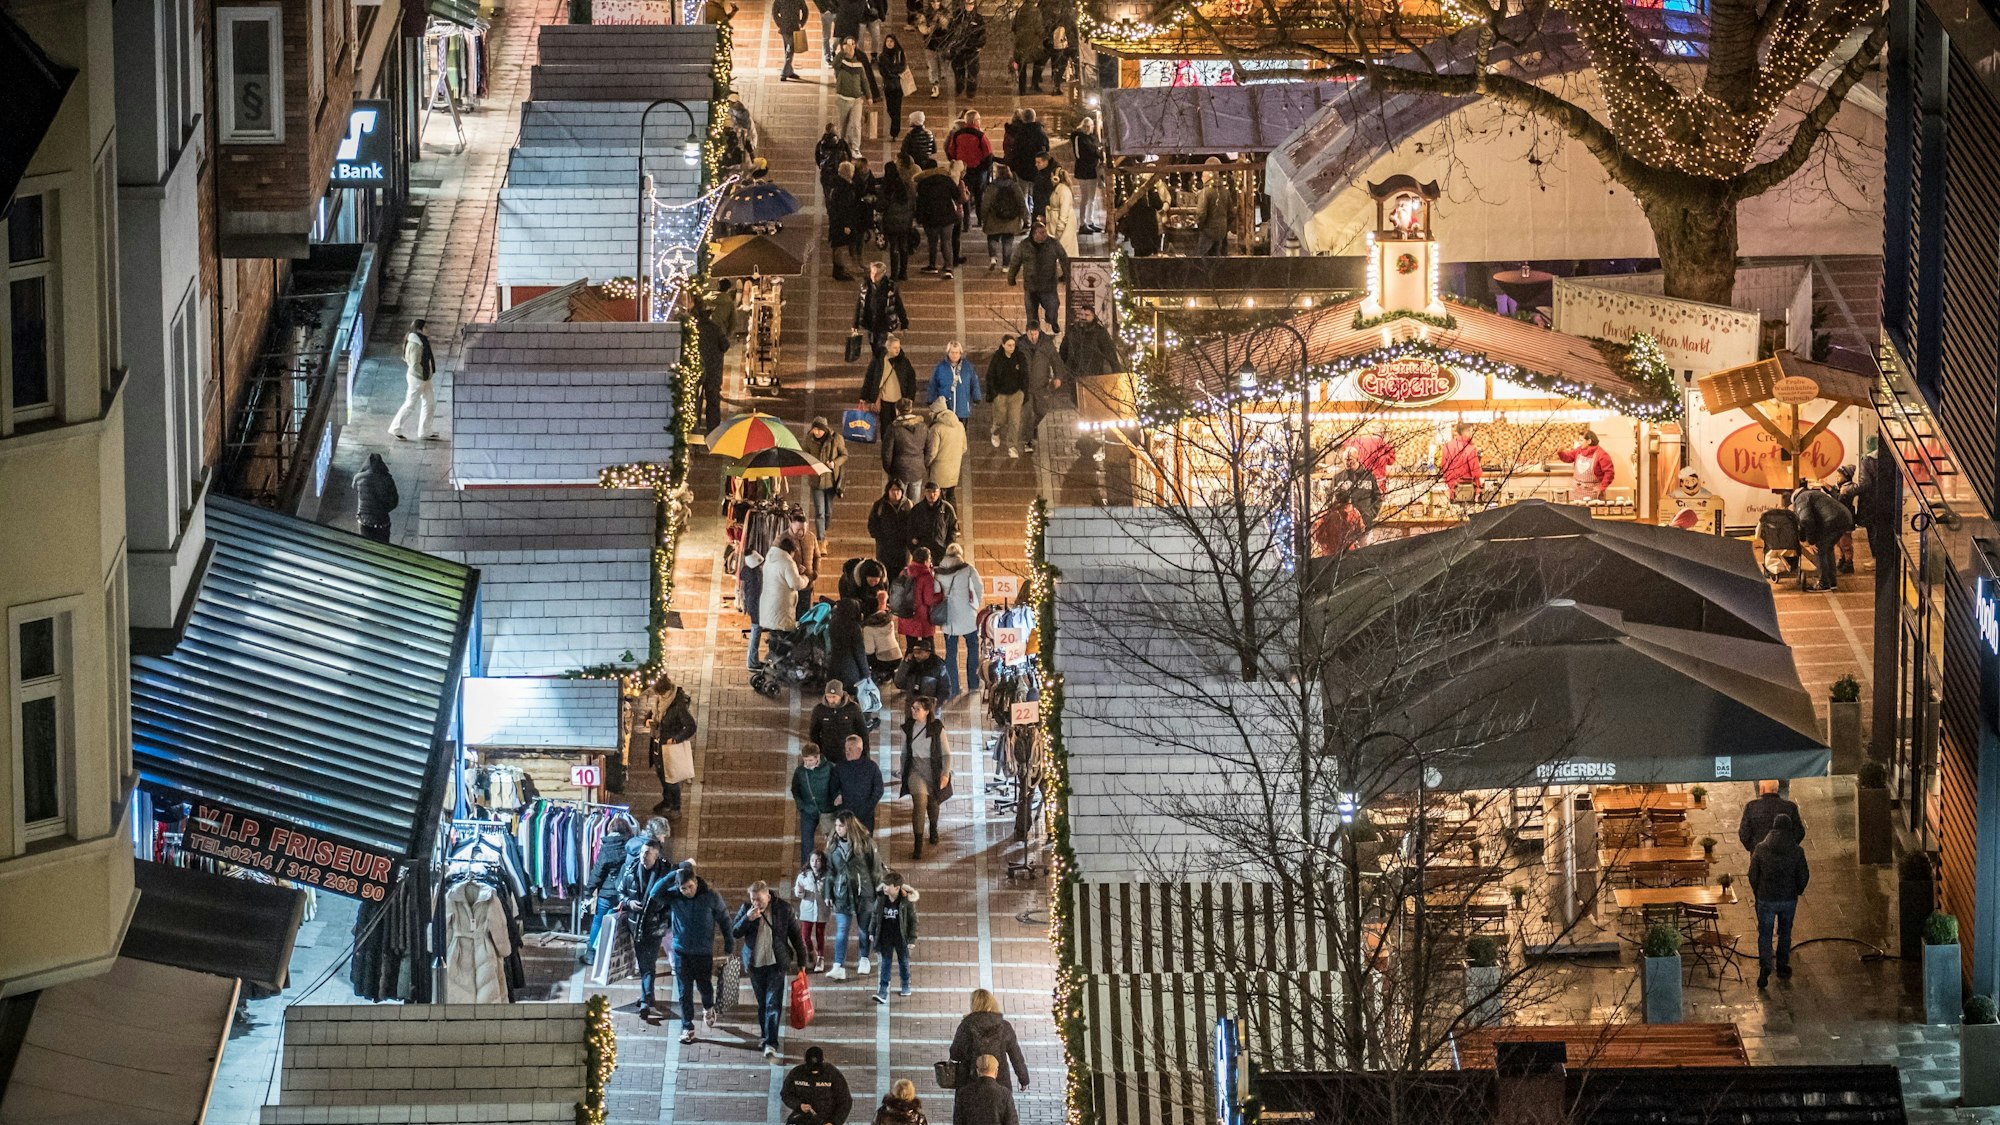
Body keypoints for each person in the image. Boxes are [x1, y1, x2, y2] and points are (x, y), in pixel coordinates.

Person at [733, 880, 809, 1058]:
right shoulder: (746, 909)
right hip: (755, 964)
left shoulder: (783, 909)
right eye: (753, 899)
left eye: (759, 900)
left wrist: (802, 962)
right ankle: (765, 1035)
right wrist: (747, 919)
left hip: (776, 963)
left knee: (772, 1003)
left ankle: (771, 1042)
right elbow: (735, 932)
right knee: (762, 1003)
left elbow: (796, 936)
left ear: (768, 896)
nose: (756, 903)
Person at [1747, 812, 1809, 989]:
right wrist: (1797, 890)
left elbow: (1752, 874)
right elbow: (1803, 875)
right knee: (1785, 932)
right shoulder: (1797, 851)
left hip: (1766, 898)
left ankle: (1765, 965)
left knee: (1765, 933)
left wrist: (1758, 891)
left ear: (1773, 828)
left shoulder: (1761, 848)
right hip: (1788, 899)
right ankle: (1782, 965)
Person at [826, 810, 888, 978]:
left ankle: (864, 959)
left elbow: (876, 869)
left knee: (864, 929)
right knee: (842, 930)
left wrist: (878, 891)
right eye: (836, 825)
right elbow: (830, 871)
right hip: (842, 892)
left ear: (849, 826)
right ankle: (838, 965)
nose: (837, 829)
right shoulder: (833, 845)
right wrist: (828, 893)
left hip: (864, 892)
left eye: (841, 826)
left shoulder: (866, 843)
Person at [621, 840, 678, 1014]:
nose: (643, 856)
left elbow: (673, 900)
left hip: (655, 926)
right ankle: (648, 996)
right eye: (642, 852)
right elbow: (621, 891)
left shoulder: (666, 874)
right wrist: (629, 902)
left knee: (648, 963)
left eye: (647, 853)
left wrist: (663, 913)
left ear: (656, 856)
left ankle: (645, 1000)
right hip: (636, 925)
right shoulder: (631, 870)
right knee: (644, 963)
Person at [580, 812, 639, 964]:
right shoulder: (631, 846)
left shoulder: (607, 848)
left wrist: (589, 890)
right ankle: (616, 957)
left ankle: (591, 954)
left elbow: (598, 872)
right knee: (621, 924)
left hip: (607, 893)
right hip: (624, 894)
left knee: (598, 922)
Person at [950, 990, 1032, 1092]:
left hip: (970, 1083)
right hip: (1000, 1082)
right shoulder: (1004, 1026)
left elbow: (955, 1054)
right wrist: (1024, 1079)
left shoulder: (966, 1025)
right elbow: (1016, 1056)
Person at [899, 697, 950, 858]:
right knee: (920, 803)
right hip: (915, 771)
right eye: (913, 708)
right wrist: (903, 772)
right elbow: (904, 753)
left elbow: (946, 754)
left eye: (917, 709)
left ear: (927, 711)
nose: (913, 711)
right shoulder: (908, 728)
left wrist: (945, 774)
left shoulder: (937, 728)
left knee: (933, 804)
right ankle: (918, 845)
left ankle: (933, 828)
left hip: (933, 771)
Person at [933, 543, 982, 696]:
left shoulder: (939, 573)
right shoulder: (968, 569)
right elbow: (979, 587)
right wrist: (975, 605)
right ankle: (973, 684)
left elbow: (936, 591)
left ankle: (953, 687)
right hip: (968, 617)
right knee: (972, 649)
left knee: (951, 653)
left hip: (950, 619)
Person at [752, 537, 808, 665]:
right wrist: (805, 578)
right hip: (781, 608)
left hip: (769, 606)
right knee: (783, 641)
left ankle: (772, 664)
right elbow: (795, 584)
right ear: (791, 551)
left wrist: (795, 572)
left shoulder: (771, 558)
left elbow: (781, 576)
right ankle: (779, 667)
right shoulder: (787, 562)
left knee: (774, 637)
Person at [648, 676, 698, 813]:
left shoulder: (678, 705)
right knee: (662, 775)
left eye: (662, 693)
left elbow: (691, 726)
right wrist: (648, 721)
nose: (660, 696)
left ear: (668, 691)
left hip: (669, 747)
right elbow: (652, 714)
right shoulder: (659, 701)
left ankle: (675, 806)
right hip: (657, 744)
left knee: (671, 778)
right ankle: (667, 801)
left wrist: (675, 739)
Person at [1793, 482, 1855, 592]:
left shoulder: (1801, 499)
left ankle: (1823, 584)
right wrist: (1803, 538)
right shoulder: (1812, 495)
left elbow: (1806, 520)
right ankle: (1831, 582)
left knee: (1819, 549)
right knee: (1828, 548)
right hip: (1845, 517)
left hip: (1833, 520)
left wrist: (1811, 541)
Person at [1008, 221, 1069, 333]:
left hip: (1049, 285)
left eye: (1044, 232)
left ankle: (1052, 321)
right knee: (1031, 315)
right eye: (1041, 233)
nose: (1044, 235)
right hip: (1031, 287)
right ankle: (1034, 334)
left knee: (1053, 307)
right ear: (1034, 234)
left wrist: (1066, 275)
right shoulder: (1024, 245)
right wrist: (1011, 277)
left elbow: (1063, 259)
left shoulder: (1053, 243)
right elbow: (1015, 262)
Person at [1017, 323, 1067, 455]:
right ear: (1027, 332)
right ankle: (1028, 441)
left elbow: (1056, 361)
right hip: (1025, 386)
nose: (1033, 337)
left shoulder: (1046, 344)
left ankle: (1032, 428)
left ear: (1039, 332)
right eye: (1030, 334)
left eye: (1035, 334)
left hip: (1041, 386)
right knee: (1027, 414)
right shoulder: (1020, 345)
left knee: (1041, 411)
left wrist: (1058, 377)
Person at [871, 872, 920, 1004]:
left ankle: (905, 984)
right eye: (884, 885)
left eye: (888, 886)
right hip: (886, 937)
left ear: (897, 888)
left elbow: (913, 920)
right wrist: (872, 931)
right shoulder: (881, 899)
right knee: (885, 963)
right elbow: (875, 916)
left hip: (901, 938)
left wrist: (912, 939)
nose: (885, 888)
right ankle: (882, 991)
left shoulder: (906, 901)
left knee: (903, 962)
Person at [389, 319, 438, 440]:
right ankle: (395, 428)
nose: (429, 329)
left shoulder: (421, 340)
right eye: (426, 327)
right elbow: (415, 364)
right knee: (410, 404)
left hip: (424, 377)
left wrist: (427, 375)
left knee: (430, 403)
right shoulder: (416, 343)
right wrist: (424, 376)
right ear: (420, 329)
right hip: (418, 378)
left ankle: (425, 431)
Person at [913, 159, 962, 278]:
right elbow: (957, 195)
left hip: (930, 217)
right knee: (947, 242)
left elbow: (920, 203)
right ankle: (948, 267)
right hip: (947, 216)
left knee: (932, 242)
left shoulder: (923, 183)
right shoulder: (946, 180)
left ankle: (932, 265)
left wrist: (918, 218)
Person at [782, 1046, 855, 1124]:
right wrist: (799, 1105)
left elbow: (845, 1100)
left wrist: (834, 1122)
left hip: (826, 1120)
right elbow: (786, 1094)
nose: (814, 1072)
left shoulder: (832, 1074)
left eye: (817, 1069)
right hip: (803, 1118)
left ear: (822, 1061)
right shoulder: (796, 1073)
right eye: (811, 1069)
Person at [831, 733, 887, 833]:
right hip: (845, 815)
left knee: (864, 841)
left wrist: (868, 806)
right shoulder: (840, 767)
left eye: (850, 749)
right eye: (846, 749)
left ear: (859, 750)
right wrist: (838, 795)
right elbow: (833, 786)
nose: (847, 752)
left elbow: (878, 789)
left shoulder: (871, 767)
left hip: (865, 817)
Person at [804, 417, 849, 539]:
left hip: (831, 481)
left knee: (828, 511)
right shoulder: (809, 439)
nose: (816, 432)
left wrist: (835, 463)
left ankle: (824, 530)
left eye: (819, 430)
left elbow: (844, 455)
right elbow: (805, 454)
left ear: (825, 429)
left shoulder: (836, 439)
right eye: (814, 429)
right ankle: (821, 539)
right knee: (820, 512)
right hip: (816, 481)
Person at [854, 262, 909, 361]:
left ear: (883, 273)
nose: (873, 276)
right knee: (874, 346)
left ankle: (880, 365)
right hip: (870, 322)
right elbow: (859, 304)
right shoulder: (865, 286)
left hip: (885, 323)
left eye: (877, 274)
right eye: (872, 273)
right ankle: (878, 364)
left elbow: (899, 306)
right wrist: (855, 324)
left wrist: (904, 324)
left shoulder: (890, 287)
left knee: (882, 348)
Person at [792, 746, 836, 867]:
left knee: (832, 842)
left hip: (827, 811)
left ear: (818, 757)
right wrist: (801, 806)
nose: (807, 763)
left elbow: (837, 785)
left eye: (810, 760)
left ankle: (831, 869)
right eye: (805, 760)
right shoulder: (800, 772)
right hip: (808, 812)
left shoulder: (830, 768)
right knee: (806, 844)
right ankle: (806, 870)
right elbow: (795, 790)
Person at [985, 334, 1028, 456]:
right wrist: (994, 394)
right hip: (1001, 394)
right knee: (1000, 419)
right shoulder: (997, 358)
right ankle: (995, 432)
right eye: (1009, 345)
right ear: (1003, 345)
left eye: (1013, 345)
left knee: (1014, 421)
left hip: (1016, 394)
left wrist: (1023, 392)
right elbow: (990, 376)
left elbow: (1025, 375)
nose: (1011, 348)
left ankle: (1012, 446)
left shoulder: (1020, 357)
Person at [893, 545, 944, 647]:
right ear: (926, 560)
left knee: (911, 648)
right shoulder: (926, 576)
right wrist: (941, 595)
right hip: (921, 617)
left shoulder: (905, 571)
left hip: (906, 614)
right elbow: (929, 600)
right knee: (928, 647)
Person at [980, 165, 1029, 268]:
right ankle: (1006, 265)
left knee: (992, 238)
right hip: (1011, 220)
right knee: (1008, 242)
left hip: (994, 218)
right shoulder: (1015, 186)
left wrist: (984, 218)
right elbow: (1021, 203)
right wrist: (1025, 219)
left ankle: (993, 257)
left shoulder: (992, 187)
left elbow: (985, 204)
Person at [1738, 779, 1807, 852]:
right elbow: (1799, 832)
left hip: (1759, 854)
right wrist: (1789, 846)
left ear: (1762, 789)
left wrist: (1754, 848)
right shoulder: (1790, 806)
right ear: (1776, 789)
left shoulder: (1751, 806)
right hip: (1785, 854)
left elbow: (1744, 833)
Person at [810, 681, 871, 762]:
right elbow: (814, 733)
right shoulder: (819, 710)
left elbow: (863, 731)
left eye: (834, 697)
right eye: (828, 696)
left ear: (840, 695)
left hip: (848, 753)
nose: (831, 700)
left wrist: (865, 754)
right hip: (827, 753)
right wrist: (817, 752)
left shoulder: (853, 708)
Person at [861, 333, 916, 422]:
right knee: (885, 425)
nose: (898, 350)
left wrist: (910, 397)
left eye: (899, 347)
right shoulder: (878, 360)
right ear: (888, 348)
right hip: (884, 400)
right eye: (895, 348)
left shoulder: (903, 361)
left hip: (899, 401)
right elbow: (869, 378)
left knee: (898, 424)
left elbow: (911, 379)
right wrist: (863, 396)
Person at [828, 161, 868, 281]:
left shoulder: (839, 185)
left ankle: (839, 269)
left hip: (837, 222)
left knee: (838, 246)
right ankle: (838, 271)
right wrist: (846, 225)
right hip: (841, 222)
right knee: (839, 246)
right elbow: (843, 208)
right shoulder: (843, 188)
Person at [946, 111, 994, 212]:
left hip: (963, 171)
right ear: (974, 121)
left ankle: (966, 219)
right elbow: (988, 154)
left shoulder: (957, 135)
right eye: (979, 119)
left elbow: (951, 153)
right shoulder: (980, 135)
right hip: (978, 171)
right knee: (979, 197)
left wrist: (958, 165)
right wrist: (984, 168)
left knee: (965, 195)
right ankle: (980, 218)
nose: (980, 121)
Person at [953, 1055, 1020, 1125]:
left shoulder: (963, 1093)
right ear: (996, 1071)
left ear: (977, 1071)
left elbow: (958, 1122)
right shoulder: (1005, 1094)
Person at [882, 399, 931, 494]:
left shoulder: (893, 428)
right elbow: (929, 450)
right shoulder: (923, 427)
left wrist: (890, 470)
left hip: (899, 470)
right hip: (917, 470)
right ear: (911, 409)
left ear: (897, 411)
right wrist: (922, 465)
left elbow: (887, 454)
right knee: (915, 502)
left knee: (899, 500)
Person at [1328, 446, 1383, 528]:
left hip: (1365, 523)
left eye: (1350, 459)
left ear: (1357, 458)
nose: (1347, 462)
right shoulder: (1338, 478)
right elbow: (1329, 498)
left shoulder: (1368, 476)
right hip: (1343, 525)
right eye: (1345, 459)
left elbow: (1378, 497)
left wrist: (1371, 514)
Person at [1059, 305, 1120, 378]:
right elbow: (1063, 351)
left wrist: (1117, 373)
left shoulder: (1100, 332)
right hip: (1072, 375)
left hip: (1093, 375)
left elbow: (1110, 353)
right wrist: (1060, 372)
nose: (1083, 317)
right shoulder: (1072, 331)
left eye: (1087, 315)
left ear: (1093, 316)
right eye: (1081, 314)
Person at [870, 480, 916, 576]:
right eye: (893, 490)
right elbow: (872, 525)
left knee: (902, 576)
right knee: (885, 575)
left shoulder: (909, 505)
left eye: (898, 490)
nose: (895, 493)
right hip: (885, 550)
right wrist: (881, 538)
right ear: (888, 491)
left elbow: (915, 524)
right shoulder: (880, 505)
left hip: (903, 550)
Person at [927, 341, 981, 421]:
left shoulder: (967, 367)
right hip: (945, 409)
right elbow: (933, 384)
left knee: (961, 428)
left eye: (957, 353)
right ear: (948, 352)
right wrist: (930, 400)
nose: (954, 355)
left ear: (960, 353)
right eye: (952, 352)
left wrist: (977, 397)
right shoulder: (940, 367)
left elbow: (974, 382)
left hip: (962, 408)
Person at [795, 849, 830, 972]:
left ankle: (820, 957)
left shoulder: (827, 876)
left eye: (818, 860)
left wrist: (829, 899)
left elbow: (831, 890)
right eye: (812, 860)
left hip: (822, 908)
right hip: (807, 908)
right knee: (805, 935)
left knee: (820, 934)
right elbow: (798, 892)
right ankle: (810, 952)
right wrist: (800, 892)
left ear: (822, 862)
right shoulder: (803, 875)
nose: (814, 863)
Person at [908, 480, 959, 563]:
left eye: (935, 492)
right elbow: (910, 529)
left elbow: (953, 528)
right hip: (922, 553)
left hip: (941, 551)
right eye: (929, 491)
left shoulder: (947, 508)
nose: (932, 495)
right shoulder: (917, 509)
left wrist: (948, 545)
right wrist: (914, 548)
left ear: (939, 492)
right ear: (924, 492)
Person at [1556, 429, 1615, 500]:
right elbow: (1568, 458)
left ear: (1589, 441)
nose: (1579, 442)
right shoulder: (1579, 450)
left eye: (1581, 440)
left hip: (1592, 493)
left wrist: (1602, 487)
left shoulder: (1602, 454)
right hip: (1577, 491)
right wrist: (1560, 452)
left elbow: (1609, 473)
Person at [353, 453, 400, 542]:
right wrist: (383, 509)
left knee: (365, 545)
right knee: (383, 546)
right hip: (381, 521)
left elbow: (356, 492)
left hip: (363, 521)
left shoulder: (358, 478)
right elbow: (394, 502)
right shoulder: (387, 479)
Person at [835, 39, 869, 151]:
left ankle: (855, 148)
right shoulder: (841, 62)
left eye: (852, 44)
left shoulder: (859, 63)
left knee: (856, 124)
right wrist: (843, 52)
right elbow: (834, 64)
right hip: (843, 99)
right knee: (843, 124)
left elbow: (864, 80)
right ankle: (842, 144)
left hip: (857, 100)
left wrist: (869, 96)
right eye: (847, 44)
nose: (850, 47)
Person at [1194, 157, 1232, 256]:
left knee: (1203, 258)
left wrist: (1199, 225)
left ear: (1208, 176)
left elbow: (1201, 213)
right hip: (1222, 231)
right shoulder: (1225, 191)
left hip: (1208, 231)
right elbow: (1231, 212)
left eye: (1203, 176)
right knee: (1219, 257)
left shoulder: (1205, 192)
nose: (1201, 178)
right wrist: (1225, 225)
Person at [946, 0, 986, 96]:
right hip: (959, 49)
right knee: (958, 71)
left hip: (972, 49)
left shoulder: (978, 18)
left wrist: (979, 45)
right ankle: (959, 88)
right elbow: (951, 31)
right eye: (967, 4)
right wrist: (952, 45)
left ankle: (971, 92)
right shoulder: (958, 17)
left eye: (971, 4)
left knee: (972, 71)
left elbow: (982, 33)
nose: (969, 6)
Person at [1070, 116, 1103, 233]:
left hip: (1093, 170)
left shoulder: (1093, 138)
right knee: (1085, 197)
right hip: (1083, 171)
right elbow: (1079, 155)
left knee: (1092, 198)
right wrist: (1095, 153)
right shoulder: (1078, 137)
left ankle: (1090, 221)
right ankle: (1082, 223)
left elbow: (1097, 150)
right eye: (1084, 126)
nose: (1086, 128)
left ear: (1092, 127)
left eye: (1088, 126)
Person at [894, 636, 951, 701]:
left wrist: (935, 704)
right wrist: (905, 664)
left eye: (919, 652)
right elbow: (899, 683)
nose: (916, 655)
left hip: (929, 703)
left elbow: (945, 689)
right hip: (913, 703)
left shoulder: (938, 665)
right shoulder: (911, 663)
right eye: (914, 652)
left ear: (928, 653)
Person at [1312, 491, 1366, 557]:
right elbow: (1361, 531)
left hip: (1330, 555)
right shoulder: (1354, 513)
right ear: (1349, 499)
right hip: (1348, 553)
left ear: (1335, 499)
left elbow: (1317, 535)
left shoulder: (1327, 515)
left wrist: (1326, 544)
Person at [1123, 176, 1165, 257]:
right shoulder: (1147, 208)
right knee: (1148, 257)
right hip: (1147, 238)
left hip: (1139, 239)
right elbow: (1159, 205)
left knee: (1140, 256)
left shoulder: (1133, 207)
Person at [1010, 0, 1044, 93]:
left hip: (1020, 42)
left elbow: (1013, 26)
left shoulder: (1020, 11)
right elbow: (1039, 28)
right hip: (1032, 42)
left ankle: (1022, 89)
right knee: (1039, 60)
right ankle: (1034, 84)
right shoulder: (1036, 11)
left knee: (1022, 65)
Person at [1439, 422, 1482, 495]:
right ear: (1467, 431)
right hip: (1466, 490)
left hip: (1450, 489)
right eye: (1471, 431)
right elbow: (1477, 472)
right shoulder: (1469, 449)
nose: (1472, 434)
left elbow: (1443, 467)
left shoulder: (1447, 446)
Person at [1044, 168, 1079, 256]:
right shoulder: (1058, 189)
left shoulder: (1064, 191)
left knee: (1065, 250)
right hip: (1055, 225)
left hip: (1063, 227)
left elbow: (1064, 212)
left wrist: (1059, 229)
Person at [881, 38, 912, 138]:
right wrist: (892, 73)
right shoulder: (882, 56)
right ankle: (894, 125)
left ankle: (895, 131)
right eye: (887, 41)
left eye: (891, 41)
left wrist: (893, 72)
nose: (889, 43)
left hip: (898, 86)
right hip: (888, 86)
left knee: (897, 108)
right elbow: (883, 71)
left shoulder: (899, 54)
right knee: (890, 109)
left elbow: (902, 66)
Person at [775, 0, 810, 78]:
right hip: (792, 26)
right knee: (790, 49)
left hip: (786, 27)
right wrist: (802, 22)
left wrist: (779, 23)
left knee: (788, 50)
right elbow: (805, 10)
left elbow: (775, 12)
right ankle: (784, 72)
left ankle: (789, 71)